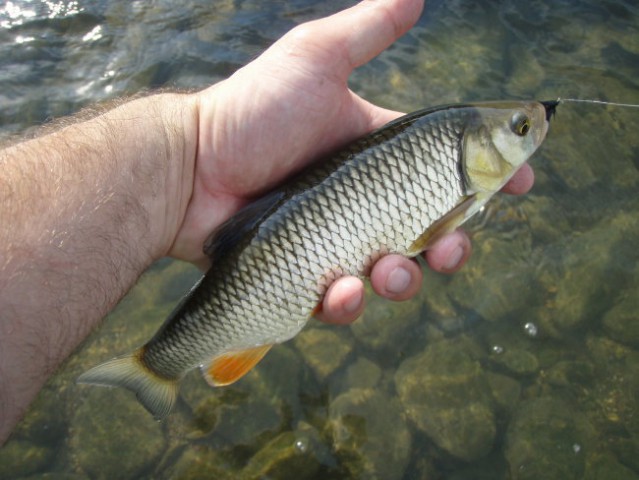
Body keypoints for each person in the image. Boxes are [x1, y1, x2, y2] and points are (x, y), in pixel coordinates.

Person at [0, 0, 533, 445]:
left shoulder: (451, 152)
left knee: (301, 302)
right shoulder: (456, 164)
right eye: (522, 126)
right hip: (277, 251)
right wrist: (187, 159)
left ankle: (159, 364)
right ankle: (156, 366)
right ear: (479, 146)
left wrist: (187, 162)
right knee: (307, 297)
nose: (535, 127)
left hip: (285, 251)